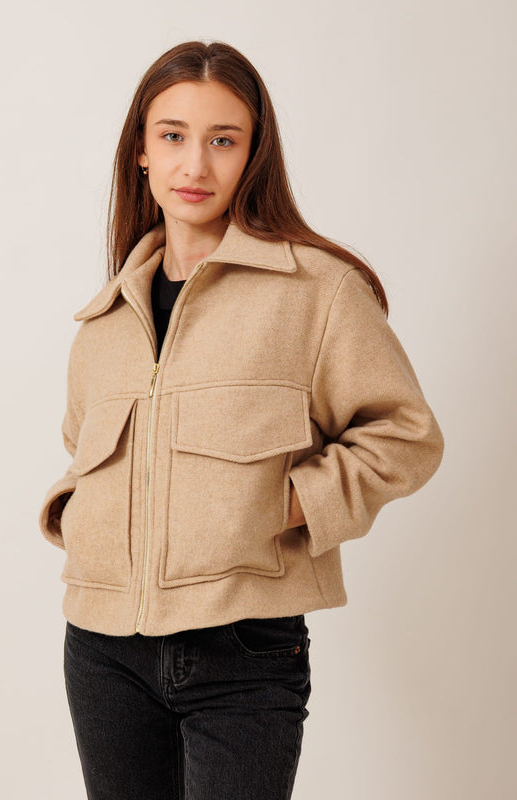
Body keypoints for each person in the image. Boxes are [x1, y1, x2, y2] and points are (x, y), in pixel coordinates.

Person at [39, 40, 443, 800]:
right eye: (173, 136)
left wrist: (280, 506)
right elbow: (81, 451)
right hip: (101, 650)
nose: (195, 164)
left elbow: (405, 434)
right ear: (141, 152)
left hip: (244, 650)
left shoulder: (315, 291)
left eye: (223, 140)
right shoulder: (104, 321)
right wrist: (81, 515)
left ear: (253, 154)